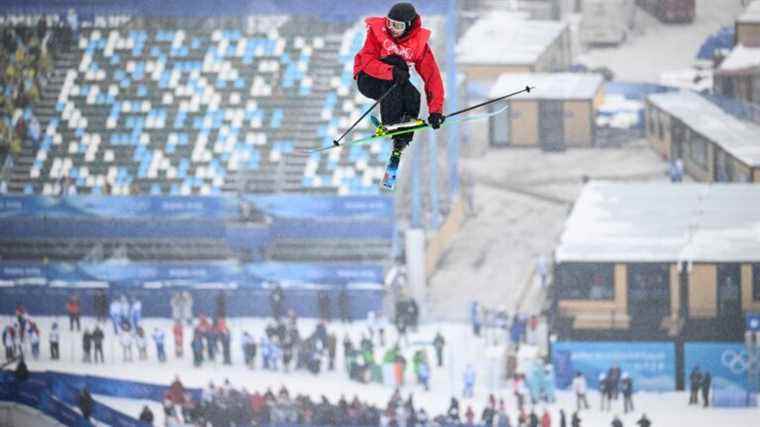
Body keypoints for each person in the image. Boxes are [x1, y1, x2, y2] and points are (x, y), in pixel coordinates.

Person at [353, 2, 445, 185]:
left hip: (394, 82)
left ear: (409, 26)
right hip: (368, 78)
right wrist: (391, 71)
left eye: (398, 26)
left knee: (413, 95)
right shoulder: (376, 33)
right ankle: (391, 122)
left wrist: (436, 111)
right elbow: (366, 62)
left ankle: (401, 139)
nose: (392, 29)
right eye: (390, 23)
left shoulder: (418, 45)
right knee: (397, 63)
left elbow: (432, 77)